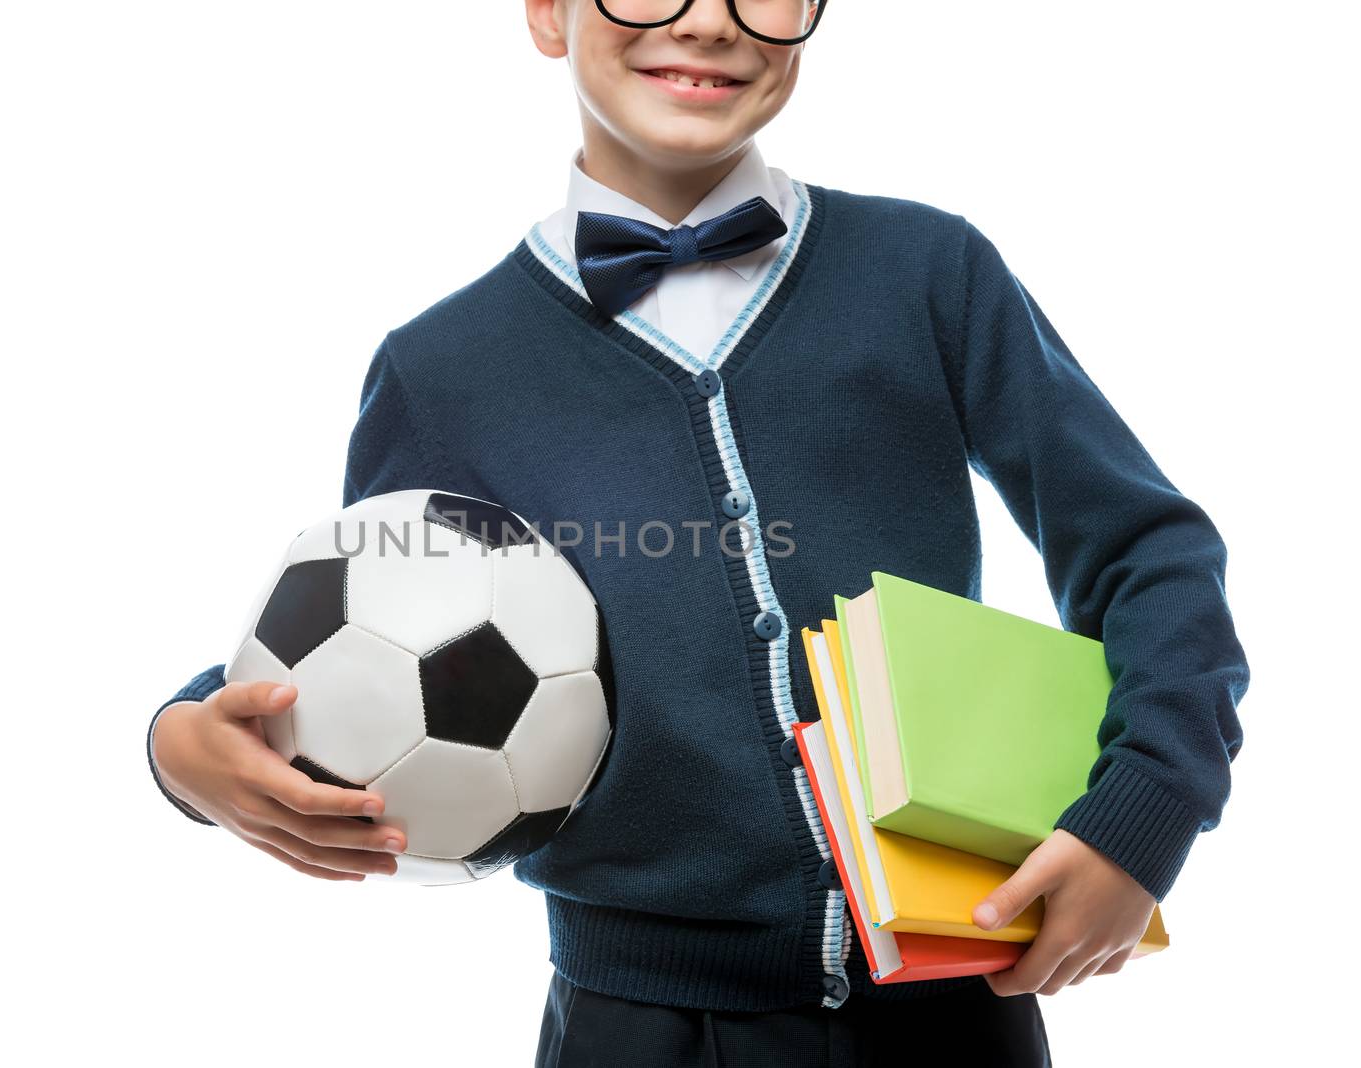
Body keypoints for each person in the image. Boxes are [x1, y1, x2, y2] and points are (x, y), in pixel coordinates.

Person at [147, 2, 1251, 1063]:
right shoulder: (444, 370)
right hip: (635, 1027)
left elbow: (1147, 550)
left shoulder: (924, 273)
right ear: (546, 13)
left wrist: (1136, 815)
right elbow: (370, 648)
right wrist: (184, 735)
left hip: (956, 1002)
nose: (711, 20)